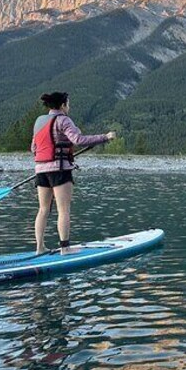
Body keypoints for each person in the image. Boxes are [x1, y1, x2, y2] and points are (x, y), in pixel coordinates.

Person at [31, 92, 115, 254]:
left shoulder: (39, 122)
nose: (69, 106)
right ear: (62, 105)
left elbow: (34, 148)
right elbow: (78, 140)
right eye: (68, 104)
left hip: (40, 170)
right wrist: (105, 137)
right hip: (60, 170)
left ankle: (39, 247)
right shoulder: (64, 120)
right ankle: (65, 248)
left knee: (43, 210)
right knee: (63, 210)